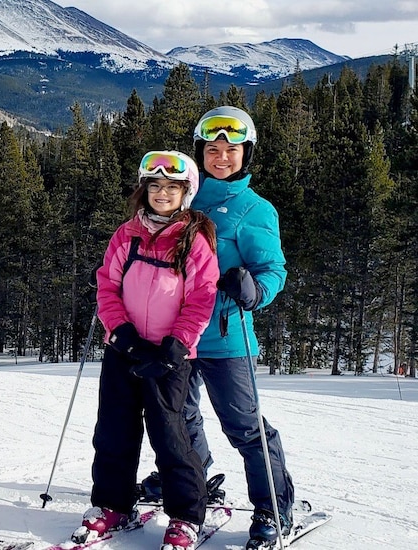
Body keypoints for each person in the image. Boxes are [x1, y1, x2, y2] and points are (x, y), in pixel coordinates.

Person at [140, 106, 294, 548]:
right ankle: (193, 480)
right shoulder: (185, 198)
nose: (221, 157)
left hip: (227, 336)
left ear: (246, 154)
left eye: (231, 149)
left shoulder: (254, 209)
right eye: (212, 148)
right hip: (177, 336)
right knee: (180, 418)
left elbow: (273, 270)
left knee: (243, 425)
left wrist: (254, 290)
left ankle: (273, 505)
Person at [81, 151, 219, 550]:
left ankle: (185, 516)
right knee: (113, 431)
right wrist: (122, 334)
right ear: (144, 190)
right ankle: (112, 504)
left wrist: (177, 346)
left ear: (185, 193)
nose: (161, 193)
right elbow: (107, 285)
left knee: (171, 435)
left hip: (168, 358)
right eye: (155, 186)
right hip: (124, 350)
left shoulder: (193, 240)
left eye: (171, 188)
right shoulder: (127, 234)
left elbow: (201, 297)